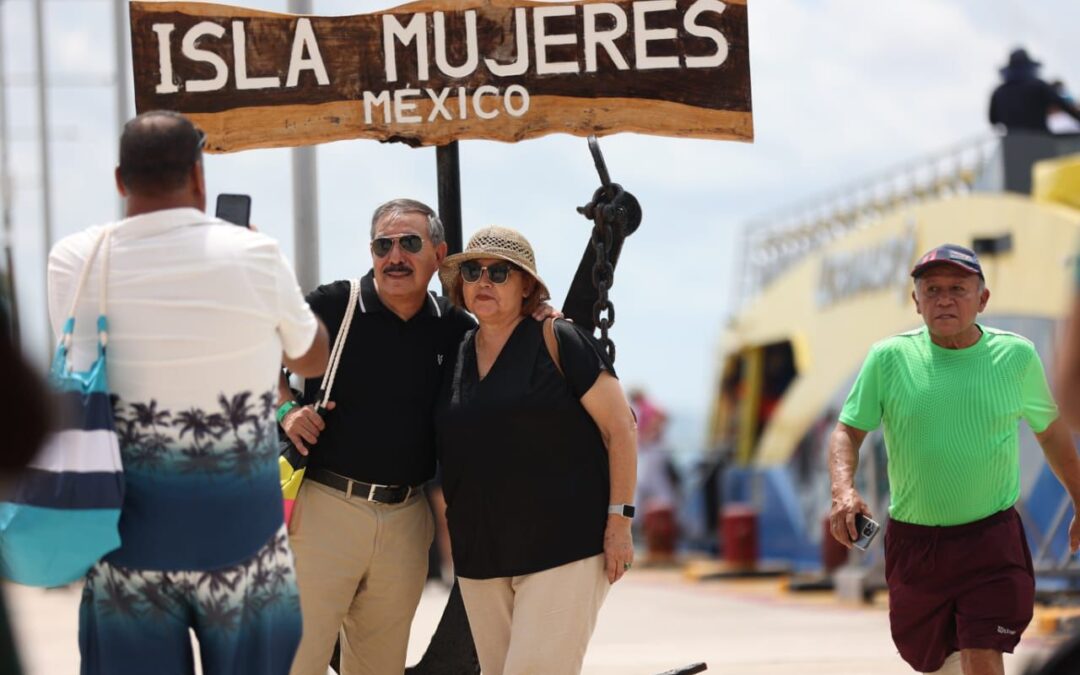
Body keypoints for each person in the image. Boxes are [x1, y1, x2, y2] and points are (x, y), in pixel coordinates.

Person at [47, 111, 329, 675]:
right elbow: (310, 355)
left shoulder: (76, 260)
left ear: (121, 180)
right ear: (199, 177)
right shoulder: (253, 254)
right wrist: (255, 264)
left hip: (126, 538)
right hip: (244, 539)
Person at [828, 243, 1080, 675]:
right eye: (933, 289)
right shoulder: (889, 359)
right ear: (916, 301)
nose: (944, 298)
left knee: (982, 654)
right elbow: (847, 431)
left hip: (991, 541)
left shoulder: (1016, 357)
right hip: (916, 546)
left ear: (982, 299)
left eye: (958, 288)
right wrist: (843, 491)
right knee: (939, 664)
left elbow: (1051, 432)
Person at [278, 199, 477, 675]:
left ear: (438, 253)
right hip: (327, 508)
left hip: (407, 522)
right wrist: (287, 409)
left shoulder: (453, 328)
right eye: (382, 245)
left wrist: (542, 315)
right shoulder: (334, 305)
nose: (395, 257)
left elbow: (505, 358)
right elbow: (260, 349)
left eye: (410, 243)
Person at [435, 226, 637, 675]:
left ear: (526, 285)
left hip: (562, 550)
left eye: (500, 273)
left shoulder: (558, 339)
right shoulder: (457, 355)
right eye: (473, 271)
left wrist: (620, 520)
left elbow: (621, 428)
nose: (483, 281)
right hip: (480, 558)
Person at [989, 48, 1080, 134]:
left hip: (1011, 146)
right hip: (1042, 142)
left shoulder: (998, 93)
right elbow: (1064, 106)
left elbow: (993, 120)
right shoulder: (1039, 86)